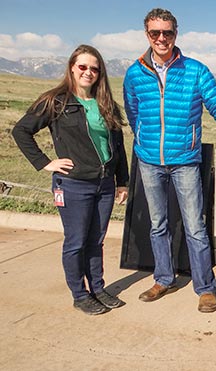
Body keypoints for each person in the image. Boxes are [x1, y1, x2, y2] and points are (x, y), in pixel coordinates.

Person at [123, 8, 216, 313]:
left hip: (185, 161)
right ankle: (163, 278)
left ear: (176, 33)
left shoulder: (196, 71)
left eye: (167, 32)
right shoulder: (134, 74)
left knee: (195, 226)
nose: (162, 38)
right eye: (155, 33)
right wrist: (142, 139)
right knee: (157, 224)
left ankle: (205, 287)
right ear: (146, 35)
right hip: (149, 160)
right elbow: (132, 112)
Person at [12, 44, 130, 315]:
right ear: (72, 68)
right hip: (74, 184)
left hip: (104, 184)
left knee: (96, 241)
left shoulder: (106, 104)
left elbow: (118, 146)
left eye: (95, 69)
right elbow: (21, 131)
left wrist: (121, 181)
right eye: (83, 67)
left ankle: (98, 289)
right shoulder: (56, 100)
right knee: (76, 241)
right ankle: (80, 294)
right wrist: (45, 163)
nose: (88, 72)